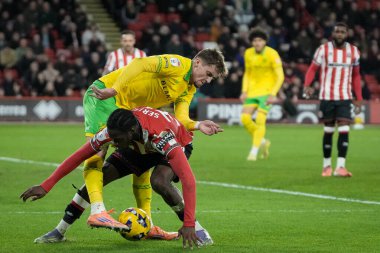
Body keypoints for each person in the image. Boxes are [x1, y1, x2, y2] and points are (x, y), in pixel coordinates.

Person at [27, 48, 228, 243]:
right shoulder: (177, 65)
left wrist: (198, 124)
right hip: (107, 97)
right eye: (208, 74)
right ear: (198, 63)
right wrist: (47, 185)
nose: (208, 81)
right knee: (99, 157)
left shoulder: (187, 90)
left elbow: (182, 121)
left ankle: (177, 227)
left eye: (212, 78)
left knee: (157, 180)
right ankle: (88, 216)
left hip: (153, 130)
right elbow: (140, 63)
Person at [21, 107, 214, 248]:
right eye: (111, 137)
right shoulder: (115, 131)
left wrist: (188, 223)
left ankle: (198, 229)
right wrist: (47, 185)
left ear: (130, 132)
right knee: (100, 177)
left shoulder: (161, 135)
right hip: (139, 145)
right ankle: (59, 231)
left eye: (117, 139)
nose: (113, 142)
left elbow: (189, 180)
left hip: (178, 142)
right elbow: (79, 156)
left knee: (159, 181)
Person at [303, 22, 362, 177]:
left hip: (344, 96)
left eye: (343, 32)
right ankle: (326, 166)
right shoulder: (323, 50)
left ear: (347, 34)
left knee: (344, 129)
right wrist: (307, 85)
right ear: (333, 33)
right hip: (327, 97)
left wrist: (359, 98)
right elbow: (312, 69)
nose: (340, 34)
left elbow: (356, 76)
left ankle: (340, 167)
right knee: (328, 130)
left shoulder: (354, 51)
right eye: (337, 32)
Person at [240, 28, 284, 161]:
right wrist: (244, 90)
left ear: (265, 41)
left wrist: (273, 94)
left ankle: (253, 152)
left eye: (260, 40)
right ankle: (263, 141)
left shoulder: (272, 54)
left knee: (260, 120)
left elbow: (280, 76)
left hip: (267, 92)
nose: (257, 43)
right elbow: (247, 73)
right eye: (255, 40)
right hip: (252, 92)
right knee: (245, 119)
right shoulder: (248, 53)